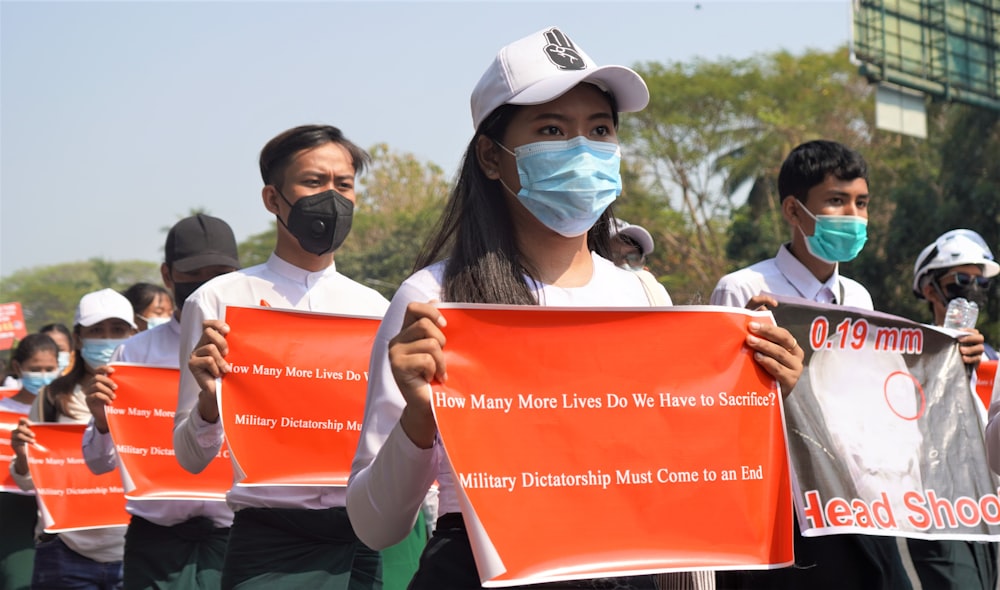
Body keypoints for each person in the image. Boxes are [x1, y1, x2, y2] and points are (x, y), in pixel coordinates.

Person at [346, 26, 803, 590]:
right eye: (553, 130)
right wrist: (418, 416)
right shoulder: (432, 301)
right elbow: (375, 525)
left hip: (629, 570)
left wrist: (760, 401)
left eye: (600, 130)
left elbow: (684, 481)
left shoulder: (644, 295)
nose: (582, 149)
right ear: (491, 156)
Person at [173, 125, 393, 590]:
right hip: (269, 543)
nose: (331, 197)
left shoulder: (377, 310)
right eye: (314, 183)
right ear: (272, 199)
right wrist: (211, 404)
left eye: (344, 184)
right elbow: (191, 458)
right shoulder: (218, 304)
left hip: (361, 539)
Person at [710, 140, 914, 589]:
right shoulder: (743, 289)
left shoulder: (858, 298)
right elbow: (729, 406)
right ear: (794, 210)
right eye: (836, 201)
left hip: (850, 494)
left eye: (861, 203)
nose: (854, 217)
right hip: (781, 504)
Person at [81, 214, 240, 589]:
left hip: (235, 540)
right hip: (156, 546)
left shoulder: (259, 349)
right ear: (168, 276)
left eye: (220, 272)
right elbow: (100, 463)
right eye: (195, 273)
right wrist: (103, 422)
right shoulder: (133, 354)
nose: (207, 284)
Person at [10, 288, 137, 590]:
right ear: (78, 338)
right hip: (67, 553)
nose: (107, 339)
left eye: (117, 330)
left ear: (134, 333)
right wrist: (24, 459)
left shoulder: (153, 395)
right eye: (96, 331)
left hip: (137, 550)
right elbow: (30, 481)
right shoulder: (53, 397)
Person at [908, 229, 999, 590]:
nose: (973, 288)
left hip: (989, 510)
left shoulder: (994, 360)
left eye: (981, 282)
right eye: (961, 279)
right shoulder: (908, 356)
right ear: (930, 289)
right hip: (938, 511)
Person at [0, 333, 60, 590]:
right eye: (36, 369)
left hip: (53, 507)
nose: (44, 375)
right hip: (10, 507)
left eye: (50, 368)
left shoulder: (64, 411)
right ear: (18, 368)